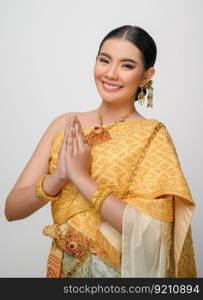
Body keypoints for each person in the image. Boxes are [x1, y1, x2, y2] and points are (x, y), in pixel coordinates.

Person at [5, 25, 196, 278]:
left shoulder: (152, 136)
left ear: (146, 76)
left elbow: (153, 238)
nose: (111, 73)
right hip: (62, 271)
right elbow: (12, 210)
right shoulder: (64, 125)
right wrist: (58, 177)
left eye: (126, 66)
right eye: (104, 60)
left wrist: (81, 178)